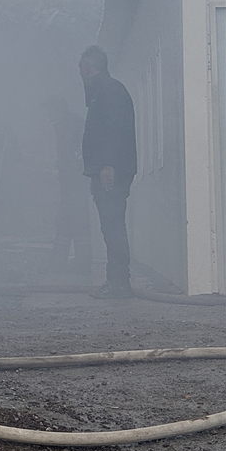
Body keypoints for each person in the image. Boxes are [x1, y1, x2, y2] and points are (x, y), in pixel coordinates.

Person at [79, 45, 136, 298]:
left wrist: (107, 165)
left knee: (113, 225)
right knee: (110, 225)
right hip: (108, 168)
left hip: (110, 170)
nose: (82, 77)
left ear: (90, 69)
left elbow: (115, 130)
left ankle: (119, 284)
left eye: (83, 71)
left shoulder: (109, 92)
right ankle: (116, 281)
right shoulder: (106, 92)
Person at [43, 95, 91, 277]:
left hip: (75, 180)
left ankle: (67, 264)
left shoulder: (70, 125)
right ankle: (74, 262)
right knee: (72, 220)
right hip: (71, 179)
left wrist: (69, 169)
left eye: (49, 110)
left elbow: (78, 151)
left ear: (57, 109)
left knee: (71, 219)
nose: (47, 115)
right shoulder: (65, 124)